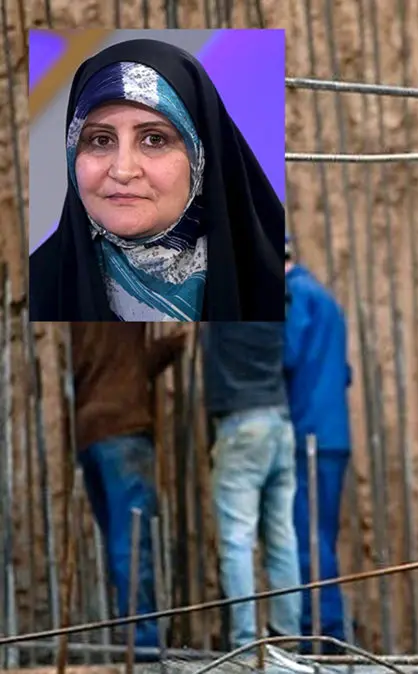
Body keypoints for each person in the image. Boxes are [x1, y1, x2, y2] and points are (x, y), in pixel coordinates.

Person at [29, 38, 284, 322]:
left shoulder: (282, 291)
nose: (123, 171)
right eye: (100, 140)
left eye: (154, 139)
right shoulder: (32, 292)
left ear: (200, 156)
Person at [70, 322, 186, 657]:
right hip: (124, 427)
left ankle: (131, 633)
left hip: (89, 431)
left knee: (118, 541)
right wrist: (175, 344)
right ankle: (145, 643)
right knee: (132, 541)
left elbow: (114, 365)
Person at [202, 321, 301, 649]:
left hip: (242, 425)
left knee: (237, 540)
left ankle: (245, 643)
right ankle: (287, 639)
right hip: (279, 422)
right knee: (282, 539)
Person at [282, 235, 354, 650]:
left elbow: (288, 355)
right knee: (321, 533)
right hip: (333, 434)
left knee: (309, 537)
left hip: (307, 433)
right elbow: (343, 371)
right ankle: (327, 628)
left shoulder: (293, 297)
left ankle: (324, 634)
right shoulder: (327, 300)